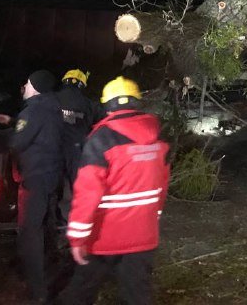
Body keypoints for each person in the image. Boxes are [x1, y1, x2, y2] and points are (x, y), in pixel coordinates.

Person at [58, 76, 170, 305]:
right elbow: (162, 183)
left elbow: (87, 193)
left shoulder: (101, 139)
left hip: (104, 235)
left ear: (107, 106)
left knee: (81, 291)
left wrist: (78, 237)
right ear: (136, 103)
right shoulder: (159, 136)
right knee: (138, 294)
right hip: (143, 233)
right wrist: (153, 217)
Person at [7, 69, 64, 304]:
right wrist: (13, 122)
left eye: (28, 84)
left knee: (29, 233)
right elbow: (37, 133)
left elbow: (17, 142)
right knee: (46, 227)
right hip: (50, 178)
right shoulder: (53, 108)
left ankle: (37, 289)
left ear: (36, 87)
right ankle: (51, 271)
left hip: (35, 180)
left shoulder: (33, 110)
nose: (25, 87)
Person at [56, 68, 99, 224]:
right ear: (82, 84)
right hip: (77, 151)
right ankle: (79, 221)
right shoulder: (88, 104)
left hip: (54, 150)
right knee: (78, 187)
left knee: (54, 187)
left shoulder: (51, 99)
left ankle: (55, 220)